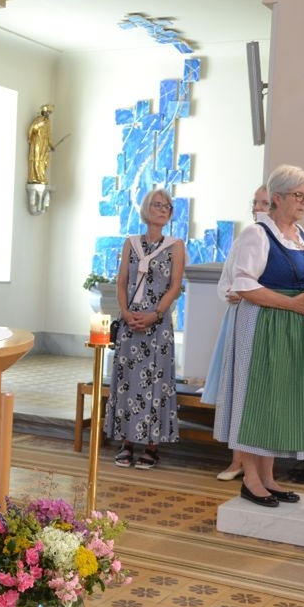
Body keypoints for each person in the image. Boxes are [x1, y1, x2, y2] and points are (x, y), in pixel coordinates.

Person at [209, 164, 304, 507]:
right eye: (298, 195)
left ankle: (268, 477)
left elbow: (297, 276)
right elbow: (244, 284)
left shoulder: (299, 233)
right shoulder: (257, 233)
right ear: (277, 197)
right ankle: (251, 479)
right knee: (258, 398)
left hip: (290, 324)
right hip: (262, 322)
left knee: (277, 398)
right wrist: (291, 304)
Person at [106, 188, 186, 470]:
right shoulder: (131, 243)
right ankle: (126, 443)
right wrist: (126, 313)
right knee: (128, 381)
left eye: (167, 206)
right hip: (130, 323)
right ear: (146, 209)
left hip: (157, 325)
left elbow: (175, 286)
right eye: (157, 205)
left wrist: (155, 314)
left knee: (154, 382)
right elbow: (121, 282)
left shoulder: (175, 245)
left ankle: (152, 447)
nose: (163, 209)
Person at [206, 184, 270, 481]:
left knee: (253, 390)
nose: (258, 208)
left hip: (260, 316)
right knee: (235, 386)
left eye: (264, 203)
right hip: (236, 317)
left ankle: (257, 464)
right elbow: (227, 277)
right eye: (255, 202)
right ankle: (236, 461)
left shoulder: (275, 239)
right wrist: (229, 292)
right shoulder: (247, 236)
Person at [27, 104, 54, 184]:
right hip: (38, 142)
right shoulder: (38, 119)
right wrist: (39, 125)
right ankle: (36, 176)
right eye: (47, 112)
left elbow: (49, 134)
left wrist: (51, 145)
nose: (48, 114)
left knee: (44, 160)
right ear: (44, 112)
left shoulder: (48, 122)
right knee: (37, 158)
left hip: (44, 143)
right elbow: (32, 128)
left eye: (49, 113)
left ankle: (41, 176)